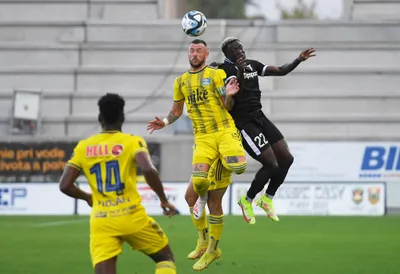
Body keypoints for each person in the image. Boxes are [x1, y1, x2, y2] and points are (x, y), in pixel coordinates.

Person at [147, 39, 247, 271]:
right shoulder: (180, 81)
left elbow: (227, 104)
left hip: (223, 131)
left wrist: (230, 94)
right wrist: (163, 122)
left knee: (239, 168)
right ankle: (208, 245)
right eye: (191, 50)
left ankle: (210, 244)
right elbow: (175, 111)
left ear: (206, 53)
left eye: (198, 50)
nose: (194, 53)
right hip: (202, 138)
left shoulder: (215, 75)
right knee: (198, 192)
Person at [59, 93, 177, 274]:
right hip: (131, 216)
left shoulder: (83, 147)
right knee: (165, 258)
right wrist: (163, 200)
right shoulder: (131, 142)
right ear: (122, 118)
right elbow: (147, 169)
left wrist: (88, 197)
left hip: (101, 220)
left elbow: (65, 185)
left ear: (100, 118)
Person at [211, 37, 316, 224]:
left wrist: (298, 59)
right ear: (227, 54)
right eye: (235, 49)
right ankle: (247, 199)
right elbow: (230, 100)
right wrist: (240, 72)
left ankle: (267, 198)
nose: (240, 51)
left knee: (287, 158)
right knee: (271, 164)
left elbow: (281, 71)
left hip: (260, 117)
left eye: (241, 47)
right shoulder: (223, 71)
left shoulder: (252, 65)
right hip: (244, 123)